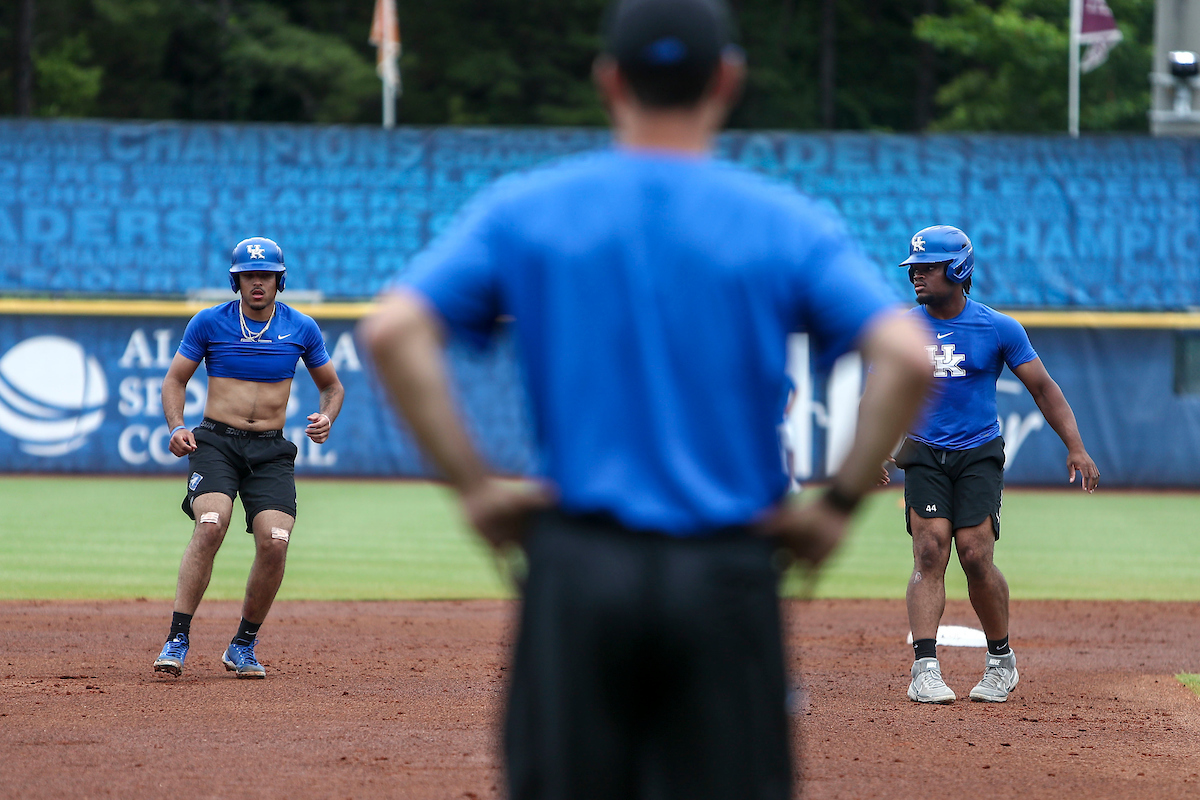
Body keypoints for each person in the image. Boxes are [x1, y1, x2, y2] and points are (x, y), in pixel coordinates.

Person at [359, 0, 932, 797]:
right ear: (726, 81)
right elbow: (905, 355)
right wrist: (834, 505)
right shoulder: (782, 221)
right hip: (729, 569)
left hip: (579, 568)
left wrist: (477, 486)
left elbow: (393, 331)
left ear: (608, 81)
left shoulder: (528, 208)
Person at [893, 224, 1099, 704]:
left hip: (978, 452)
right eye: (913, 269)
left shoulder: (998, 328)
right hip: (923, 450)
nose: (916, 276)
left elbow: (1044, 389)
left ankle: (1001, 660)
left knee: (975, 555)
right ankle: (925, 668)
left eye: (927, 267)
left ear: (958, 269)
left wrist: (1076, 446)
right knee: (929, 549)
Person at [153, 236, 344, 679]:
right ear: (236, 281)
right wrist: (177, 426)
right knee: (211, 522)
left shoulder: (302, 328)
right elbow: (174, 381)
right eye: (248, 276)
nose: (257, 283)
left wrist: (327, 417)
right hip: (216, 443)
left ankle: (243, 644)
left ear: (280, 280)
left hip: (270, 450)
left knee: (275, 541)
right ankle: (177, 638)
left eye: (266, 276)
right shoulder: (208, 323)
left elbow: (332, 387)